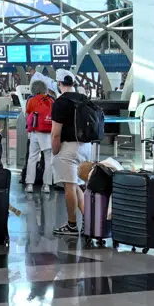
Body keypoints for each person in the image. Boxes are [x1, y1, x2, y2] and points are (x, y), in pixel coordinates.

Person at [50, 76, 98, 235]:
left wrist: (55, 151)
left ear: (59, 84)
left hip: (68, 147)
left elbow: (55, 134)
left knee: (69, 186)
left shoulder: (60, 102)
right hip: (86, 146)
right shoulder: (84, 99)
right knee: (79, 184)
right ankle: (89, 220)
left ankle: (72, 225)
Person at [23, 80, 56, 193]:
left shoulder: (31, 100)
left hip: (35, 133)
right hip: (48, 134)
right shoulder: (51, 100)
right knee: (48, 159)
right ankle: (46, 185)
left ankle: (29, 185)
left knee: (32, 158)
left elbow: (27, 117)